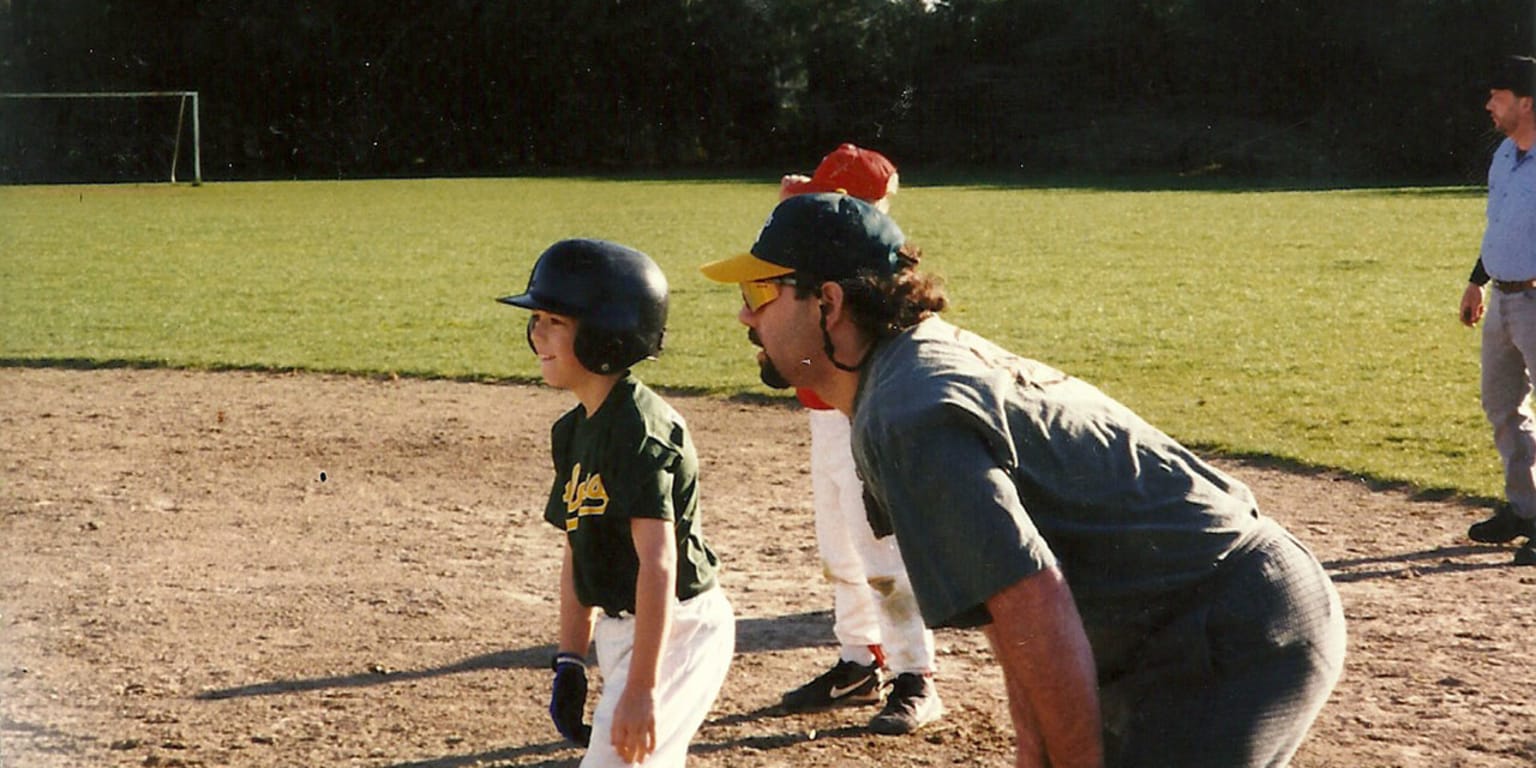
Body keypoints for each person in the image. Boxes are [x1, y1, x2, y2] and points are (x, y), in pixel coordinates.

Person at [700, 194, 1347, 768]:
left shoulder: (906, 411)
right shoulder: (901, 376)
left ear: (830, 302)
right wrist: (1034, 751)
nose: (744, 319)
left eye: (759, 294)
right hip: (1195, 621)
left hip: (1226, 629)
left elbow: (1033, 601)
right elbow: (1010, 610)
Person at [500, 239, 735, 767]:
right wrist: (569, 659)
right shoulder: (572, 432)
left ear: (607, 333)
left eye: (554, 320)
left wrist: (642, 690)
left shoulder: (638, 429)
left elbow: (658, 563)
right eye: (536, 318)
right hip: (633, 631)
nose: (537, 332)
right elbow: (576, 552)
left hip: (677, 630)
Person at [773, 144, 943, 735]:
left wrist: (796, 198)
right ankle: (859, 658)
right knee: (839, 547)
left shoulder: (874, 259)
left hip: (861, 414)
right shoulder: (814, 240)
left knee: (879, 549)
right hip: (824, 416)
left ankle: (914, 675)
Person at [1457, 54, 1536, 567]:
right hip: (1504, 297)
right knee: (1503, 408)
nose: (1489, 104)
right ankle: (1526, 511)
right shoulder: (1504, 157)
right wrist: (1476, 281)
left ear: (1526, 102)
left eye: (1498, 96)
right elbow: (1498, 227)